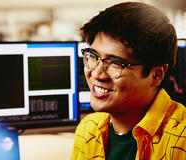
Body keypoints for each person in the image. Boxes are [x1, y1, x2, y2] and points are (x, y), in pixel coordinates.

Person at [71, 2, 186, 160]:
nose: (96, 73)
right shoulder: (88, 129)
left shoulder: (181, 139)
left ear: (156, 75)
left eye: (115, 63)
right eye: (93, 56)